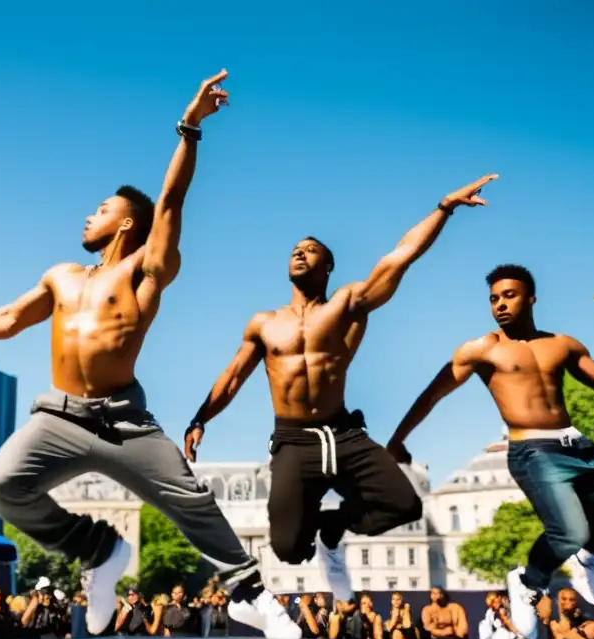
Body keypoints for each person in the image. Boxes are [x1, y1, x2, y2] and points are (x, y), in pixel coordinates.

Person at [0, 71, 299, 639]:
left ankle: (252, 595)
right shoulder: (61, 276)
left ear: (125, 222)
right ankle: (99, 550)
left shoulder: (146, 271)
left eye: (99, 208)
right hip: (58, 417)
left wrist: (190, 127)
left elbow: (171, 200)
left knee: (191, 499)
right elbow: (5, 320)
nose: (87, 215)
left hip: (125, 421)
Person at [183, 174, 497, 599]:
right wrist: (201, 418)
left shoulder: (347, 304)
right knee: (289, 549)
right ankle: (315, 528)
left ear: (328, 266)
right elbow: (234, 376)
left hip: (343, 433)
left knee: (404, 506)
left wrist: (444, 207)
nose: (300, 253)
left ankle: (334, 525)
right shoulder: (264, 323)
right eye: (295, 249)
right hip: (294, 441)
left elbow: (399, 258)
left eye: (311, 250)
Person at [386, 264, 594, 639]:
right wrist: (398, 438)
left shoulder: (561, 345)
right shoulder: (481, 349)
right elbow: (433, 394)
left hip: (576, 443)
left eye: (509, 296)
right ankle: (528, 580)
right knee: (569, 529)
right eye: (494, 299)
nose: (500, 305)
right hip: (532, 448)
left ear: (531, 298)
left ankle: (585, 556)